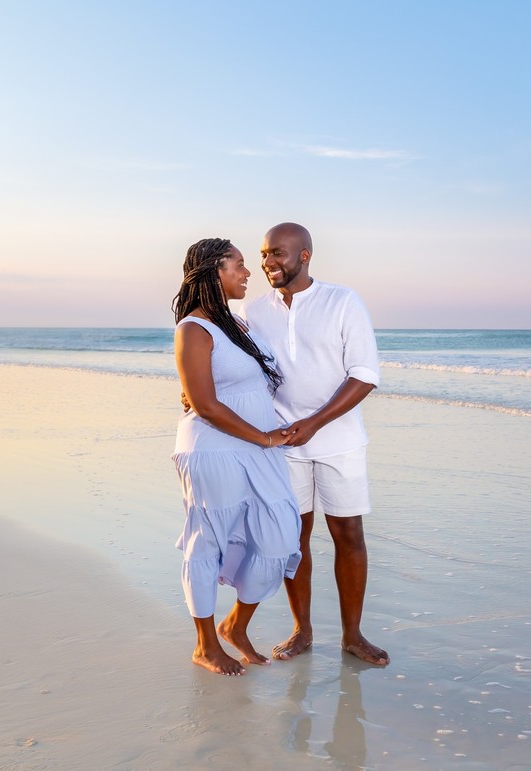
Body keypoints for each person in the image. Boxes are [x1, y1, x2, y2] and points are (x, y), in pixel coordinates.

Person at [244, 222, 389, 666]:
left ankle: (353, 636)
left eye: (278, 253)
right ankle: (302, 630)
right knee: (294, 538)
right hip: (282, 442)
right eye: (264, 254)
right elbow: (238, 365)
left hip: (339, 440)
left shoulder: (343, 301)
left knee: (348, 534)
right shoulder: (254, 310)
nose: (268, 262)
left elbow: (364, 374)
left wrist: (315, 422)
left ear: (304, 255)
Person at [171, 237, 302, 676]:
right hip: (215, 448)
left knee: (281, 533)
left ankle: (234, 626)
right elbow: (205, 405)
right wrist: (264, 437)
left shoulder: (236, 323)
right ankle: (205, 645)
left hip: (257, 446)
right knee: (207, 542)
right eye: (239, 264)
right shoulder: (193, 328)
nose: (248, 273)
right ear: (214, 270)